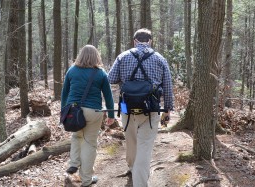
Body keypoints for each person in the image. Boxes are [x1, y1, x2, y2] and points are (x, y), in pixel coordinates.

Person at [108, 28, 174, 187]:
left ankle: (132, 167)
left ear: (134, 41)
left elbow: (111, 78)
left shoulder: (122, 57)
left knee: (130, 141)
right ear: (150, 41)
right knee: (144, 147)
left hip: (126, 108)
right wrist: (167, 109)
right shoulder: (159, 58)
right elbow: (167, 86)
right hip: (151, 109)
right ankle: (140, 182)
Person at [61, 45, 115, 187]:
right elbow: (108, 96)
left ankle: (74, 163)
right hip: (94, 112)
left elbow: (64, 93)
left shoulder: (72, 70)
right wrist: (111, 114)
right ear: (96, 56)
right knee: (89, 143)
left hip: (73, 111)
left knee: (76, 137)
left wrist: (63, 112)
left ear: (80, 55)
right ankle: (86, 180)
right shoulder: (101, 73)